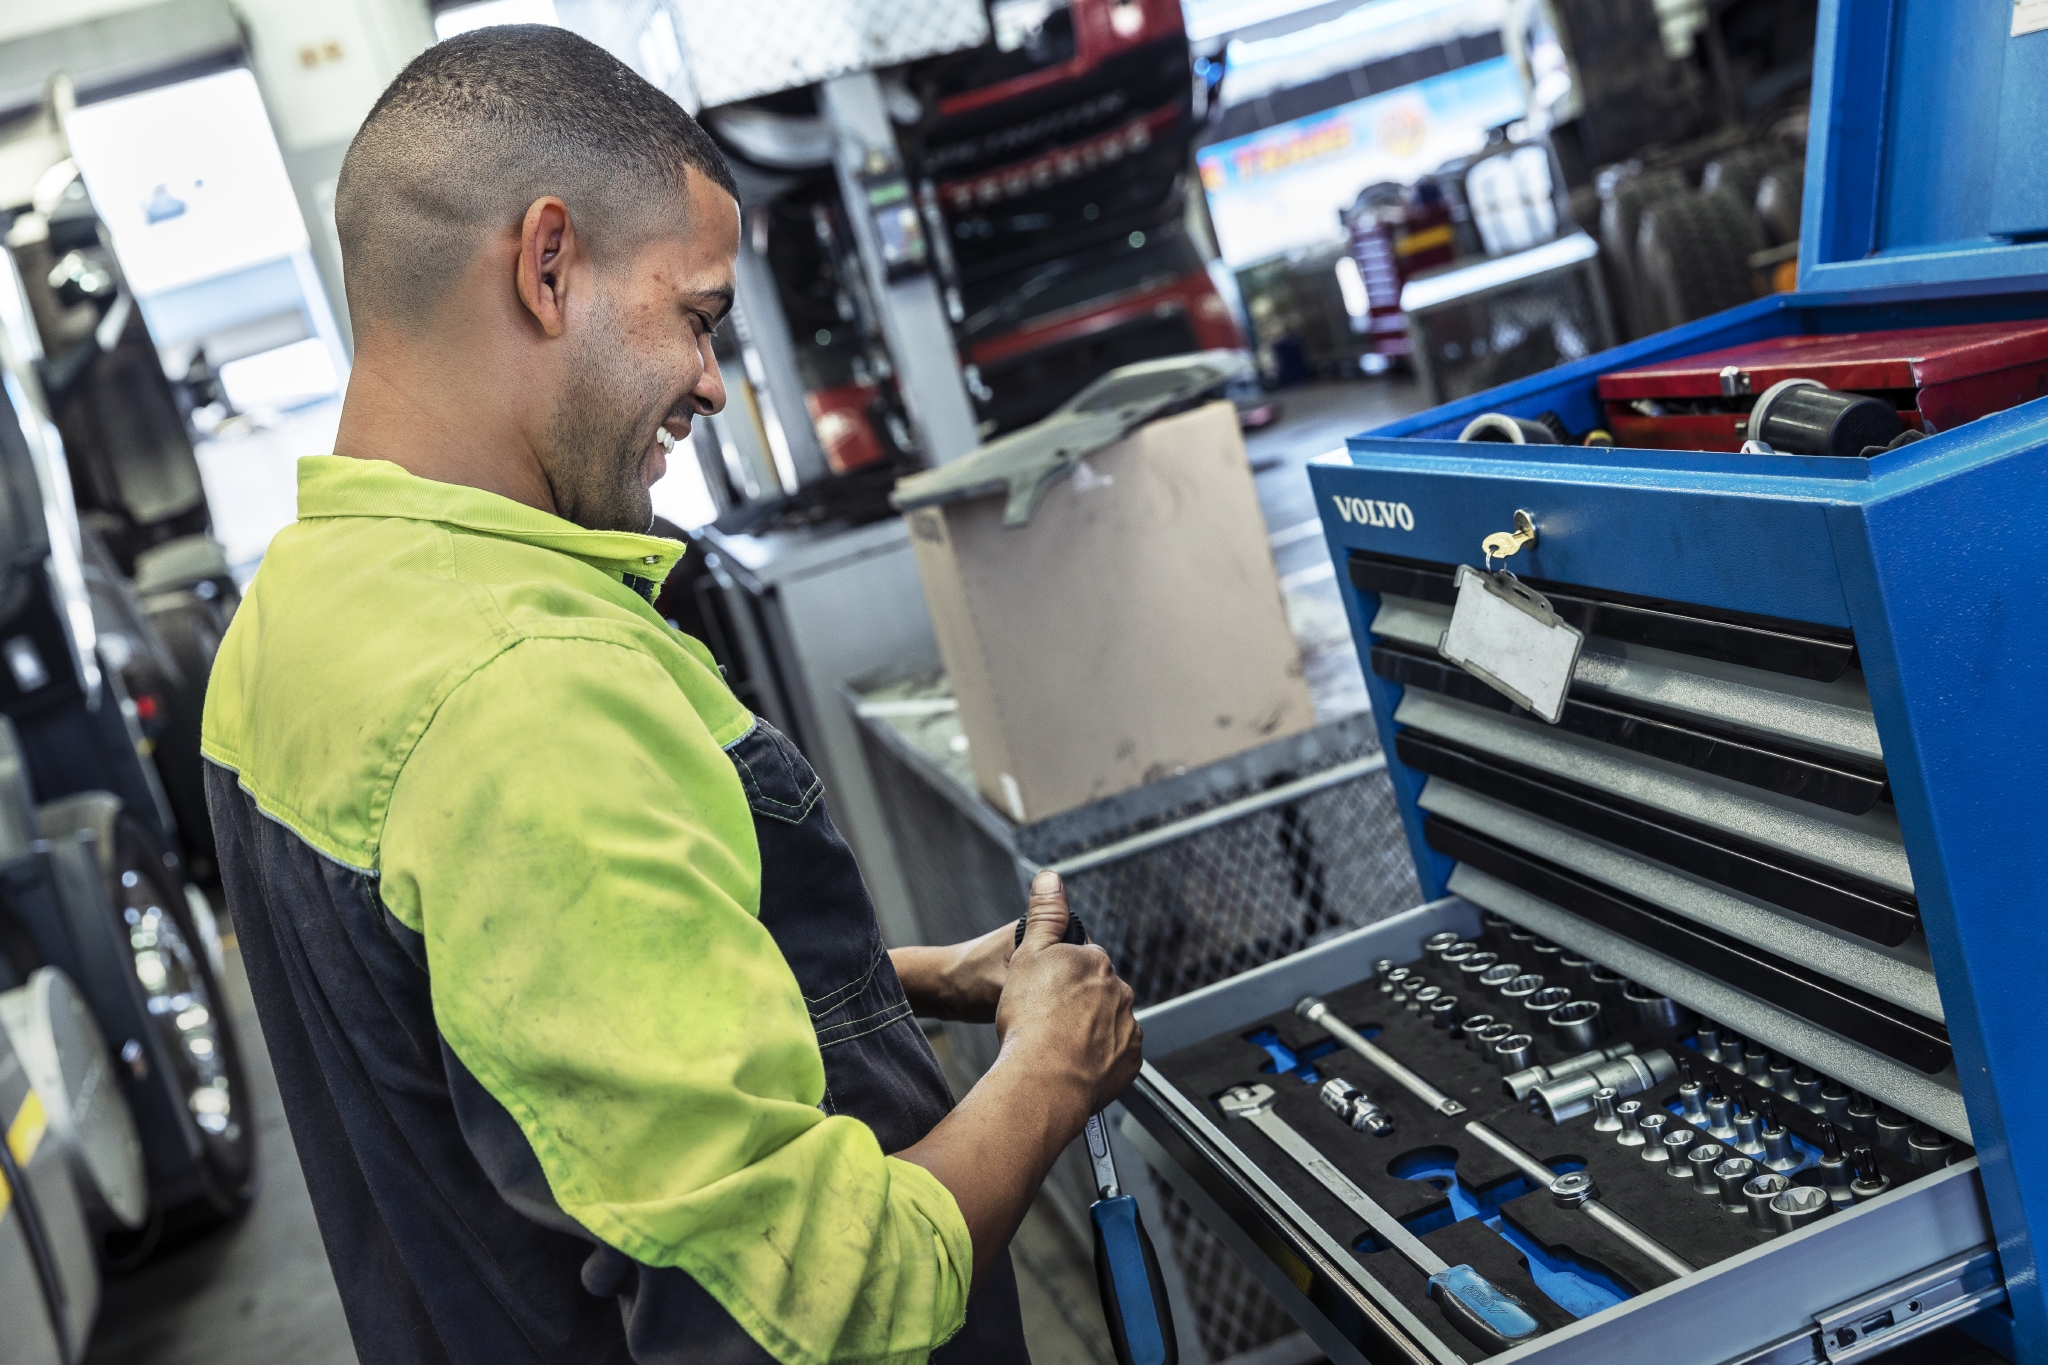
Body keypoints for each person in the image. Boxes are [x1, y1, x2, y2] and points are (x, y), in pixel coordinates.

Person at [201, 25, 1141, 1365]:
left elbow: (519, 1036)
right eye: (695, 316)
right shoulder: (520, 698)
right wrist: (1051, 1062)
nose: (709, 378)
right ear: (546, 264)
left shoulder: (296, 619)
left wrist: (915, 980)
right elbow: (815, 1305)